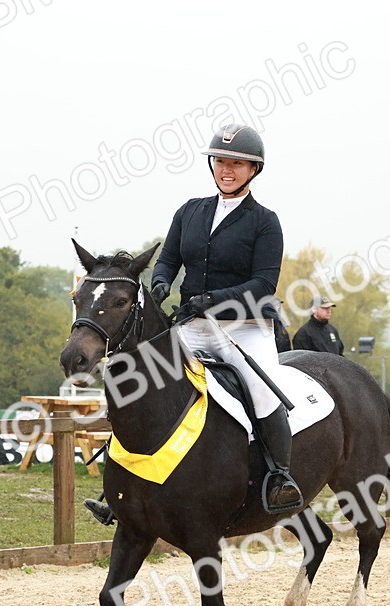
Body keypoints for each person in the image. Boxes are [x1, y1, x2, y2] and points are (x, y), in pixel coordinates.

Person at [85, 123, 302, 525]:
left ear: (254, 170)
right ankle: (119, 488)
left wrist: (214, 298)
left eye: (237, 164)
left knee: (262, 391)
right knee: (140, 382)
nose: (226, 169)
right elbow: (168, 258)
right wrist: (162, 281)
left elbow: (263, 284)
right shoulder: (190, 211)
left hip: (244, 328)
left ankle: (280, 478)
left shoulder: (265, 221)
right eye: (220, 161)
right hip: (192, 326)